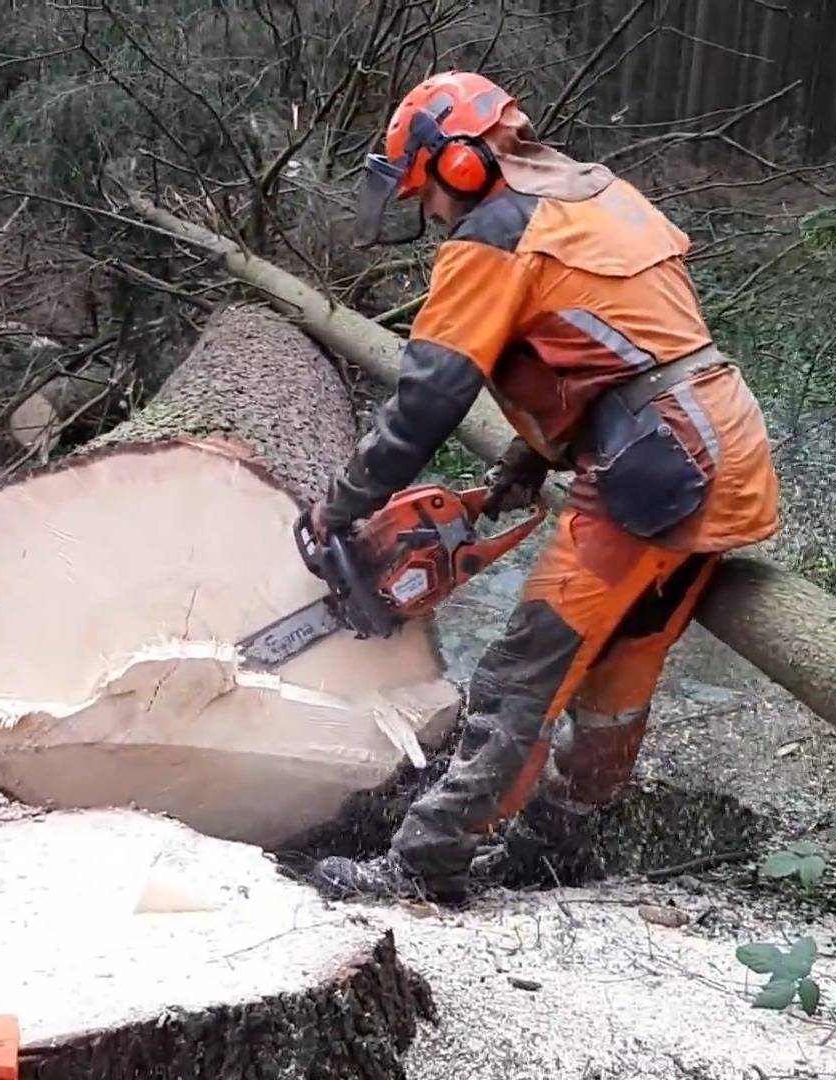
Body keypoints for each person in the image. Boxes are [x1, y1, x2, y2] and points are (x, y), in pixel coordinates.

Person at [305, 71, 781, 904]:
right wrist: (530, 460)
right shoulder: (599, 196)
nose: (432, 214)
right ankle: (563, 843)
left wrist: (343, 502)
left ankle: (425, 864)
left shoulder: (497, 232)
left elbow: (428, 399)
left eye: (428, 193)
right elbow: (621, 341)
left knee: (522, 670)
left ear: (458, 164)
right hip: (721, 443)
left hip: (656, 469)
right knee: (620, 664)